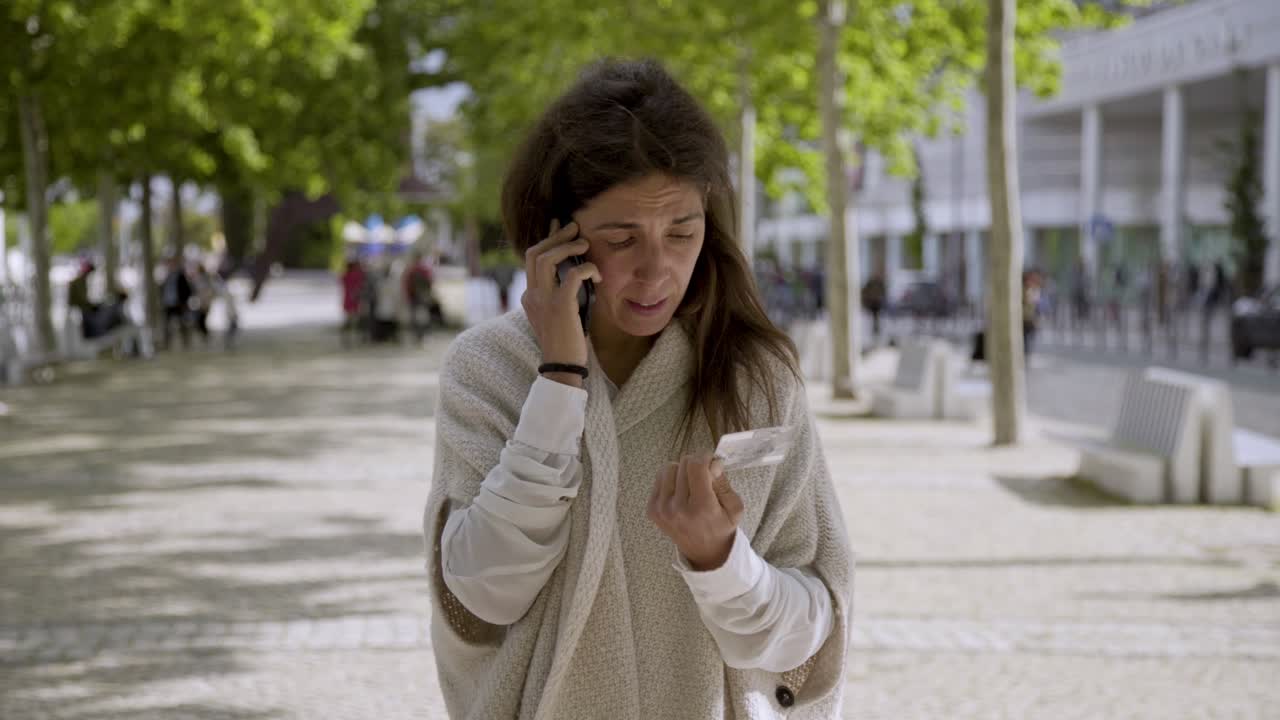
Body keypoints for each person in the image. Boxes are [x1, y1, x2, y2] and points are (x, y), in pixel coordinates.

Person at [423, 59, 852, 720]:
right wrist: (560, 380)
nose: (658, 270)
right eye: (622, 238)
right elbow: (481, 598)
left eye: (682, 231)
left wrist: (721, 561)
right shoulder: (488, 369)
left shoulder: (755, 378)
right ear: (558, 236)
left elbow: (810, 631)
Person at [160, 256, 193, 350]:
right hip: (168, 303)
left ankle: (186, 342)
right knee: (167, 324)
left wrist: (183, 302)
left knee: (182, 323)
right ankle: (167, 343)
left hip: (179, 303)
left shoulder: (181, 276)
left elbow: (187, 290)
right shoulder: (166, 276)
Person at [340, 259, 367, 347]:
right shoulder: (357, 275)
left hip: (348, 300)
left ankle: (347, 338)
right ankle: (358, 338)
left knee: (349, 320)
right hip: (356, 300)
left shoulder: (345, 276)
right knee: (357, 320)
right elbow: (362, 284)